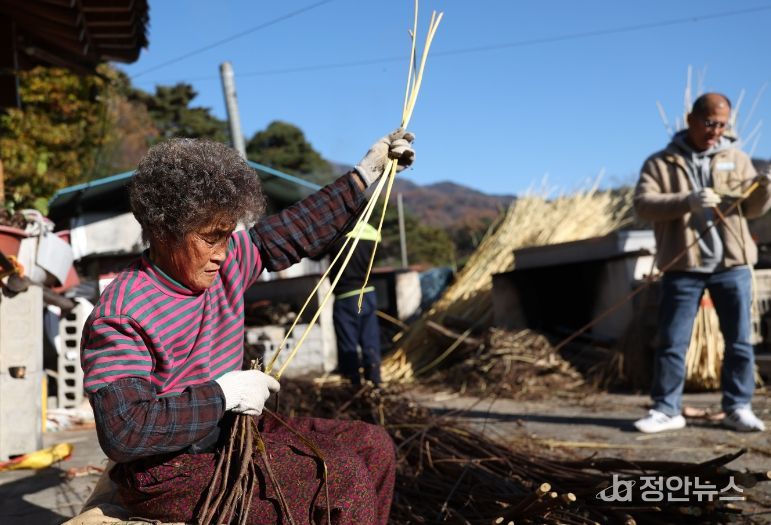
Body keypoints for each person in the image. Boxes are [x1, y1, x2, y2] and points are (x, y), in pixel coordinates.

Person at [78, 129, 415, 524]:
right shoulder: (122, 312)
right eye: (210, 239)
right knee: (341, 478)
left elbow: (293, 230)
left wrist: (364, 174)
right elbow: (125, 430)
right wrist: (222, 395)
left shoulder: (228, 262)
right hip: (169, 473)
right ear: (164, 230)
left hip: (236, 435)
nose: (223, 253)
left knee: (373, 445)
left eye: (227, 235)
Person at [633, 93, 769, 434]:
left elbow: (752, 211)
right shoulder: (661, 163)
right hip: (683, 266)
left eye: (722, 125)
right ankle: (666, 409)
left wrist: (764, 191)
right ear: (691, 120)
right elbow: (643, 205)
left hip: (732, 264)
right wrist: (687, 200)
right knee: (672, 340)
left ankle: (737, 407)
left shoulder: (736, 159)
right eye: (710, 123)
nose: (716, 131)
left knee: (739, 340)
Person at [328, 222, 383, 386]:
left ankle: (353, 384)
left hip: (346, 297)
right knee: (370, 340)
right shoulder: (374, 233)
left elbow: (316, 254)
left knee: (347, 343)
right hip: (368, 293)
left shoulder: (337, 232)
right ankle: (375, 382)